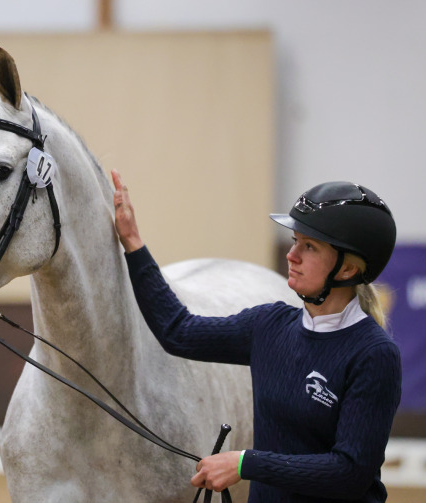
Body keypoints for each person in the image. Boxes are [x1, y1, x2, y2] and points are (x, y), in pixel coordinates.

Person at [112, 169, 401, 502]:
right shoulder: (269, 325)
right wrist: (133, 243)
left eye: (309, 247)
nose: (292, 256)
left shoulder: (374, 354)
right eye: (295, 242)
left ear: (348, 269)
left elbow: (349, 473)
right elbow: (177, 330)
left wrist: (245, 464)